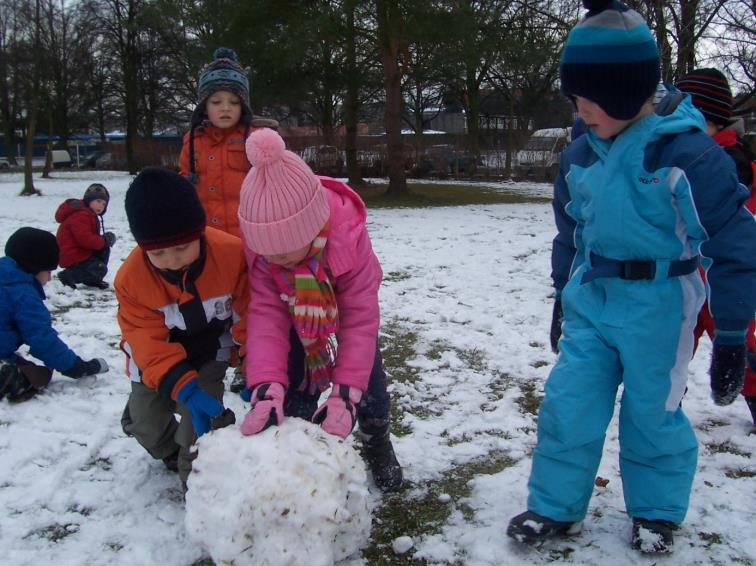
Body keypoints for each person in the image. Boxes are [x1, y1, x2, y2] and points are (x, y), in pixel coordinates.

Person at [507, 0, 756, 554]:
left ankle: (656, 512)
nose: (580, 108)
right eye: (575, 96)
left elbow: (736, 245)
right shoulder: (580, 154)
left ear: (623, 89)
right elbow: (570, 233)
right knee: (568, 403)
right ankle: (554, 506)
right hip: (593, 299)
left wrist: (734, 332)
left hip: (661, 305)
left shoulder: (686, 155)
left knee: (651, 412)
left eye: (588, 97)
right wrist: (560, 297)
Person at [236, 128, 403, 493]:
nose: (274, 260)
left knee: (369, 385)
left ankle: (376, 439)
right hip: (296, 316)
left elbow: (359, 322)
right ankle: (303, 457)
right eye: (267, 252)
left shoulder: (347, 239)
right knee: (294, 389)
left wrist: (345, 394)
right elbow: (265, 315)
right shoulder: (265, 255)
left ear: (312, 230)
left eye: (284, 252)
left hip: (343, 314)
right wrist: (266, 384)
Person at [115, 167, 246, 492]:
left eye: (182, 248)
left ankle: (197, 484)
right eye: (158, 253)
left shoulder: (232, 255)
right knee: (146, 423)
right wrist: (178, 384)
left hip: (208, 351)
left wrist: (253, 361)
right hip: (156, 360)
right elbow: (144, 337)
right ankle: (167, 451)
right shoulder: (131, 279)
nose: (172, 260)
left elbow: (251, 313)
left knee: (195, 431)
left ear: (200, 232)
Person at [179, 47, 278, 394]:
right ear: (203, 105)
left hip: (250, 243)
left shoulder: (254, 139)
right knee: (215, 310)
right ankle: (216, 361)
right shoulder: (191, 141)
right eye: (216, 101)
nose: (224, 108)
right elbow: (185, 185)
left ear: (244, 106)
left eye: (232, 102)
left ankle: (255, 367)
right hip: (208, 244)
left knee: (252, 308)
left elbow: (276, 185)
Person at [676, 68, 756, 428]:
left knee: (739, 342)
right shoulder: (685, 152)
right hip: (684, 274)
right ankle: (665, 405)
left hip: (722, 272)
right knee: (672, 347)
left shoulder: (725, 159)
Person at [0, 227, 109, 402]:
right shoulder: (23, 294)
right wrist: (75, 366)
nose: (50, 278)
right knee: (38, 376)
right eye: (48, 271)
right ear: (34, 267)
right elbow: (42, 338)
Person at [56, 183, 116, 290]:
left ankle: (92, 279)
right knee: (99, 268)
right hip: (71, 254)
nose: (101, 206)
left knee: (104, 250)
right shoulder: (81, 215)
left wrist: (104, 241)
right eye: (98, 201)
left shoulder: (88, 214)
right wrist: (103, 240)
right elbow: (86, 240)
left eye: (103, 204)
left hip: (80, 252)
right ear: (89, 200)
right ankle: (68, 276)